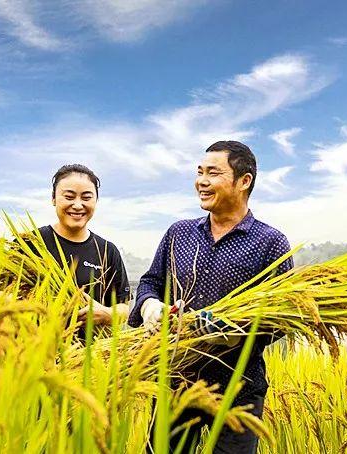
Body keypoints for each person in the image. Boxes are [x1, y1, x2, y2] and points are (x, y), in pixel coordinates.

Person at [128, 141, 293, 453]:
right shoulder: (179, 233)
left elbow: (281, 317)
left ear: (244, 181)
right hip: (176, 380)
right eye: (199, 172)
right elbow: (149, 282)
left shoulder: (270, 242)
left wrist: (234, 334)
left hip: (238, 388)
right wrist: (151, 307)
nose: (201, 181)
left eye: (213, 173)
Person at [37, 164, 131, 330]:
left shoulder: (107, 251)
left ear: (96, 201)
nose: (78, 205)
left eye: (86, 198)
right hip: (32, 351)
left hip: (91, 353)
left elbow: (124, 307)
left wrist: (107, 314)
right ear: (53, 199)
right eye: (69, 197)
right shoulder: (32, 243)